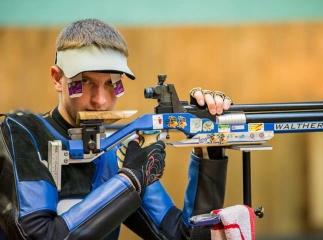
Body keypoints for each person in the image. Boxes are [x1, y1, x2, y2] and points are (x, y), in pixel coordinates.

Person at [0, 18, 231, 240]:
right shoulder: (21, 133)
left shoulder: (118, 155)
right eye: (86, 81)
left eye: (112, 83)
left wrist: (208, 152)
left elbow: (184, 236)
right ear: (57, 78)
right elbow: (39, 234)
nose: (100, 100)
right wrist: (130, 179)